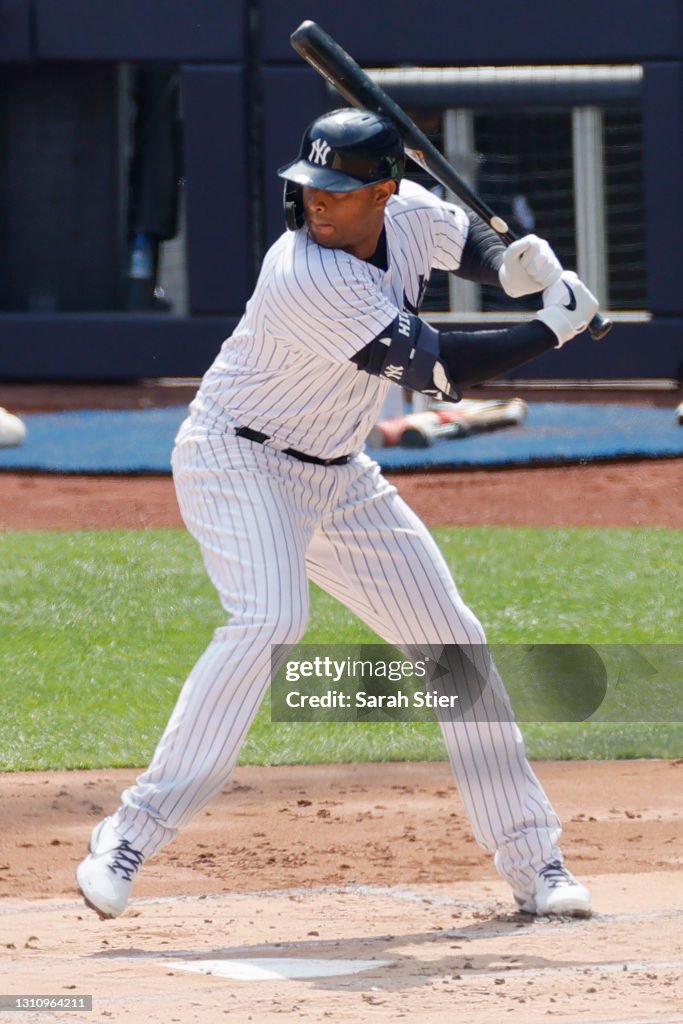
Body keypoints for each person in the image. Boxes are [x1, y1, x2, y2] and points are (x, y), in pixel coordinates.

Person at [77, 108, 597, 920]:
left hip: (340, 475)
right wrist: (549, 327)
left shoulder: (412, 211)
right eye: (309, 189)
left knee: (451, 646)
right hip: (237, 461)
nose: (316, 204)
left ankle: (537, 864)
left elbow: (466, 243)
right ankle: (129, 833)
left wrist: (512, 262)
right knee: (271, 618)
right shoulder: (305, 275)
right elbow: (439, 370)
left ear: (384, 192)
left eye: (337, 191)